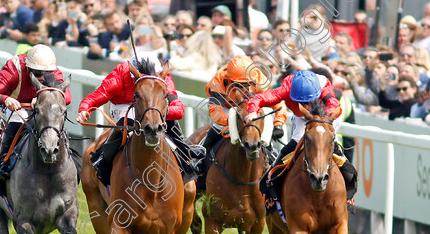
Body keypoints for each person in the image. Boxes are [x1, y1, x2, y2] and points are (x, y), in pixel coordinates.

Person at [76, 51, 204, 186]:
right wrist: (84, 109)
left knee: (169, 120)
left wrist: (156, 113)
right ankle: (102, 161)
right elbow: (97, 96)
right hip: (125, 106)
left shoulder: (162, 76)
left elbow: (178, 109)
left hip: (152, 105)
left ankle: (185, 155)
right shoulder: (120, 74)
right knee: (126, 123)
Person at [246, 70, 357, 209]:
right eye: (301, 102)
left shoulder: (323, 85)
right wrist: (252, 111)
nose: (306, 106)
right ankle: (271, 188)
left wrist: (322, 123)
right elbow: (259, 98)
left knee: (325, 143)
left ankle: (349, 192)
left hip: (326, 117)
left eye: (308, 102)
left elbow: (334, 104)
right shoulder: (286, 87)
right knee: (291, 147)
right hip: (302, 118)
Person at [0, 45, 72, 182]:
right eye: (37, 73)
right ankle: (1, 164)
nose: (41, 77)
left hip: (41, 109)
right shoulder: (13, 68)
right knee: (18, 120)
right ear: (28, 68)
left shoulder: (51, 70)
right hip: (15, 107)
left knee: (55, 123)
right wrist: (5, 99)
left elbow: (67, 96)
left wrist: (43, 97)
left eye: (45, 74)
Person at [195, 56, 287, 190]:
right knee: (218, 126)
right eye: (238, 84)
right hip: (228, 107)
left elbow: (277, 102)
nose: (243, 88)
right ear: (230, 79)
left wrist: (278, 124)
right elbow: (215, 112)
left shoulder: (259, 78)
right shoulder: (220, 79)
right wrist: (235, 122)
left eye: (247, 84)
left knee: (264, 117)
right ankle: (199, 160)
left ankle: (271, 158)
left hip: (252, 107)